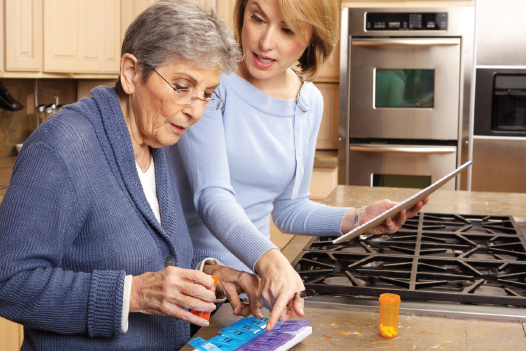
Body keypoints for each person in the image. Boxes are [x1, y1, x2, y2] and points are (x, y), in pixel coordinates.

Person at [0, 1, 262, 350]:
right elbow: (9, 281)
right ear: (131, 72)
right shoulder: (63, 147)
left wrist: (212, 275)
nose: (196, 110)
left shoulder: (155, 140)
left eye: (207, 95)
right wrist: (132, 295)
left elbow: (151, 257)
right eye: (182, 86)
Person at [167, 0, 428, 331]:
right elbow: (211, 196)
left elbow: (289, 209)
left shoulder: (308, 102)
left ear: (312, 36)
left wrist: (359, 218)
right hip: (193, 283)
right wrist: (272, 259)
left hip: (252, 297)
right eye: (257, 19)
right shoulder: (212, 80)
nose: (266, 42)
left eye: (287, 29)